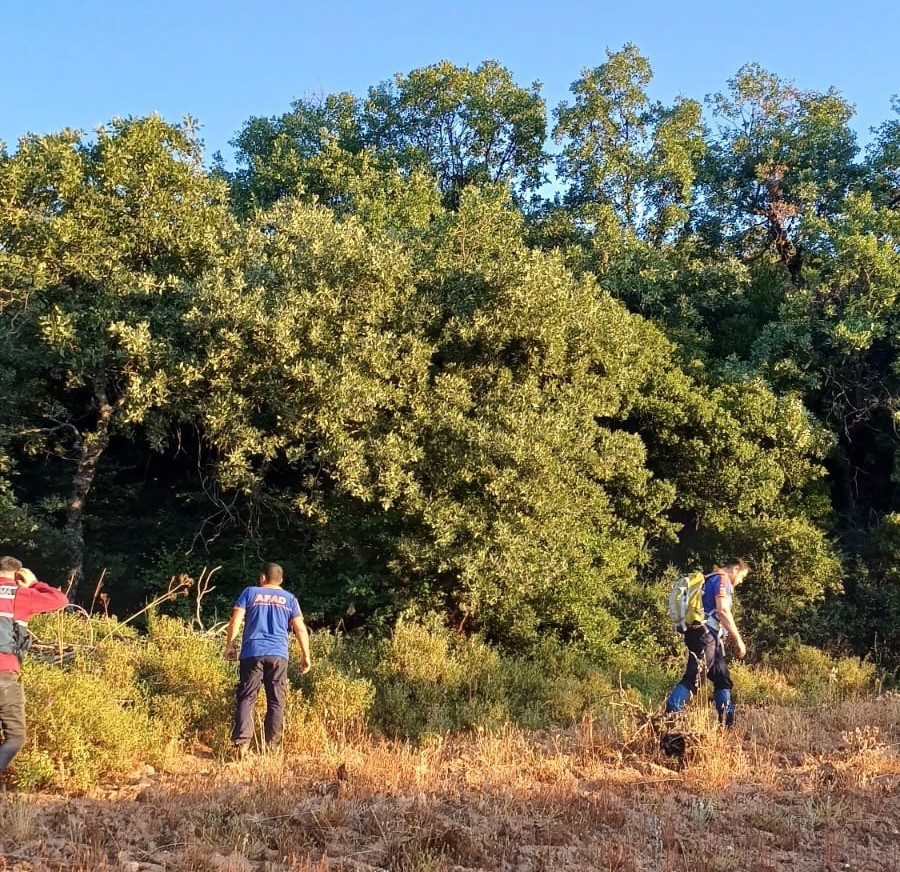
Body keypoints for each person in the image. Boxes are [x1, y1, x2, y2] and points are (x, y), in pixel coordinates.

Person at [224, 562, 311, 757]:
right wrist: (306, 655)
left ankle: (241, 746)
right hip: (278, 655)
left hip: (251, 652)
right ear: (280, 580)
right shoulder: (290, 599)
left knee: (247, 697)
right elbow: (300, 628)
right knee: (276, 701)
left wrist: (230, 645)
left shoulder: (250, 592)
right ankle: (271, 747)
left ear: (262, 577)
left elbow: (236, 619)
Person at [0, 556, 69, 775]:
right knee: (15, 736)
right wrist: (34, 583)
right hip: (3, 674)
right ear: (18, 574)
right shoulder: (22, 594)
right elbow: (60, 600)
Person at [665, 559, 750, 728]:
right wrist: (739, 639)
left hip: (708, 637)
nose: (740, 581)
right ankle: (671, 713)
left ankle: (726, 720)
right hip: (705, 636)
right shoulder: (722, 580)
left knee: (722, 677)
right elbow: (723, 610)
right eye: (742, 576)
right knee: (695, 676)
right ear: (735, 569)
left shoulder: (710, 578)